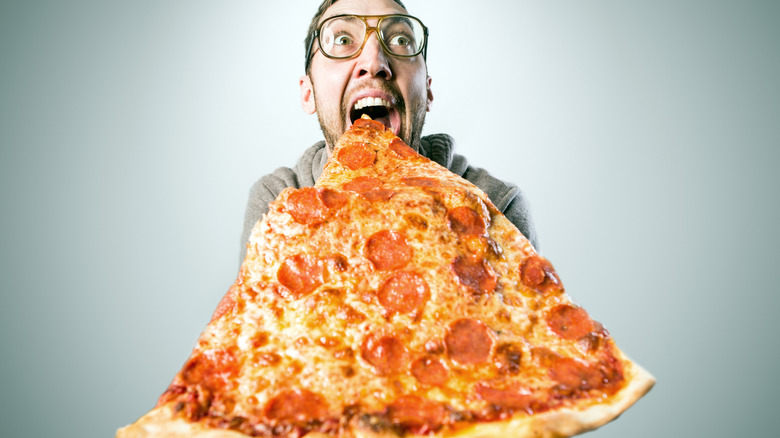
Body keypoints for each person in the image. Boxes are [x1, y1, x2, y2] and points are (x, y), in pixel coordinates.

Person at [239, 0, 538, 263]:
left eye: (399, 40)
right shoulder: (277, 202)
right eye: (342, 39)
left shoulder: (494, 205)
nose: (374, 62)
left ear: (428, 92)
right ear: (309, 94)